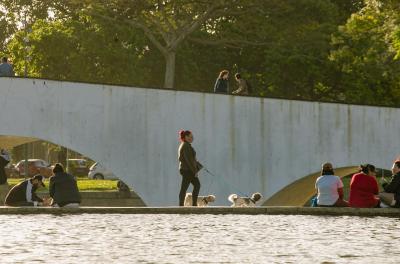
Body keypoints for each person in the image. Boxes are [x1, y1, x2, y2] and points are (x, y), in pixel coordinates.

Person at [178, 130, 203, 206]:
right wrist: (195, 171)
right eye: (191, 137)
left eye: (192, 137)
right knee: (185, 188)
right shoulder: (186, 146)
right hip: (187, 170)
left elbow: (191, 159)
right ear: (186, 137)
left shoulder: (185, 145)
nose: (192, 138)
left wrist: (199, 165)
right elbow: (189, 160)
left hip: (187, 169)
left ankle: (193, 204)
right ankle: (182, 206)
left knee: (196, 185)